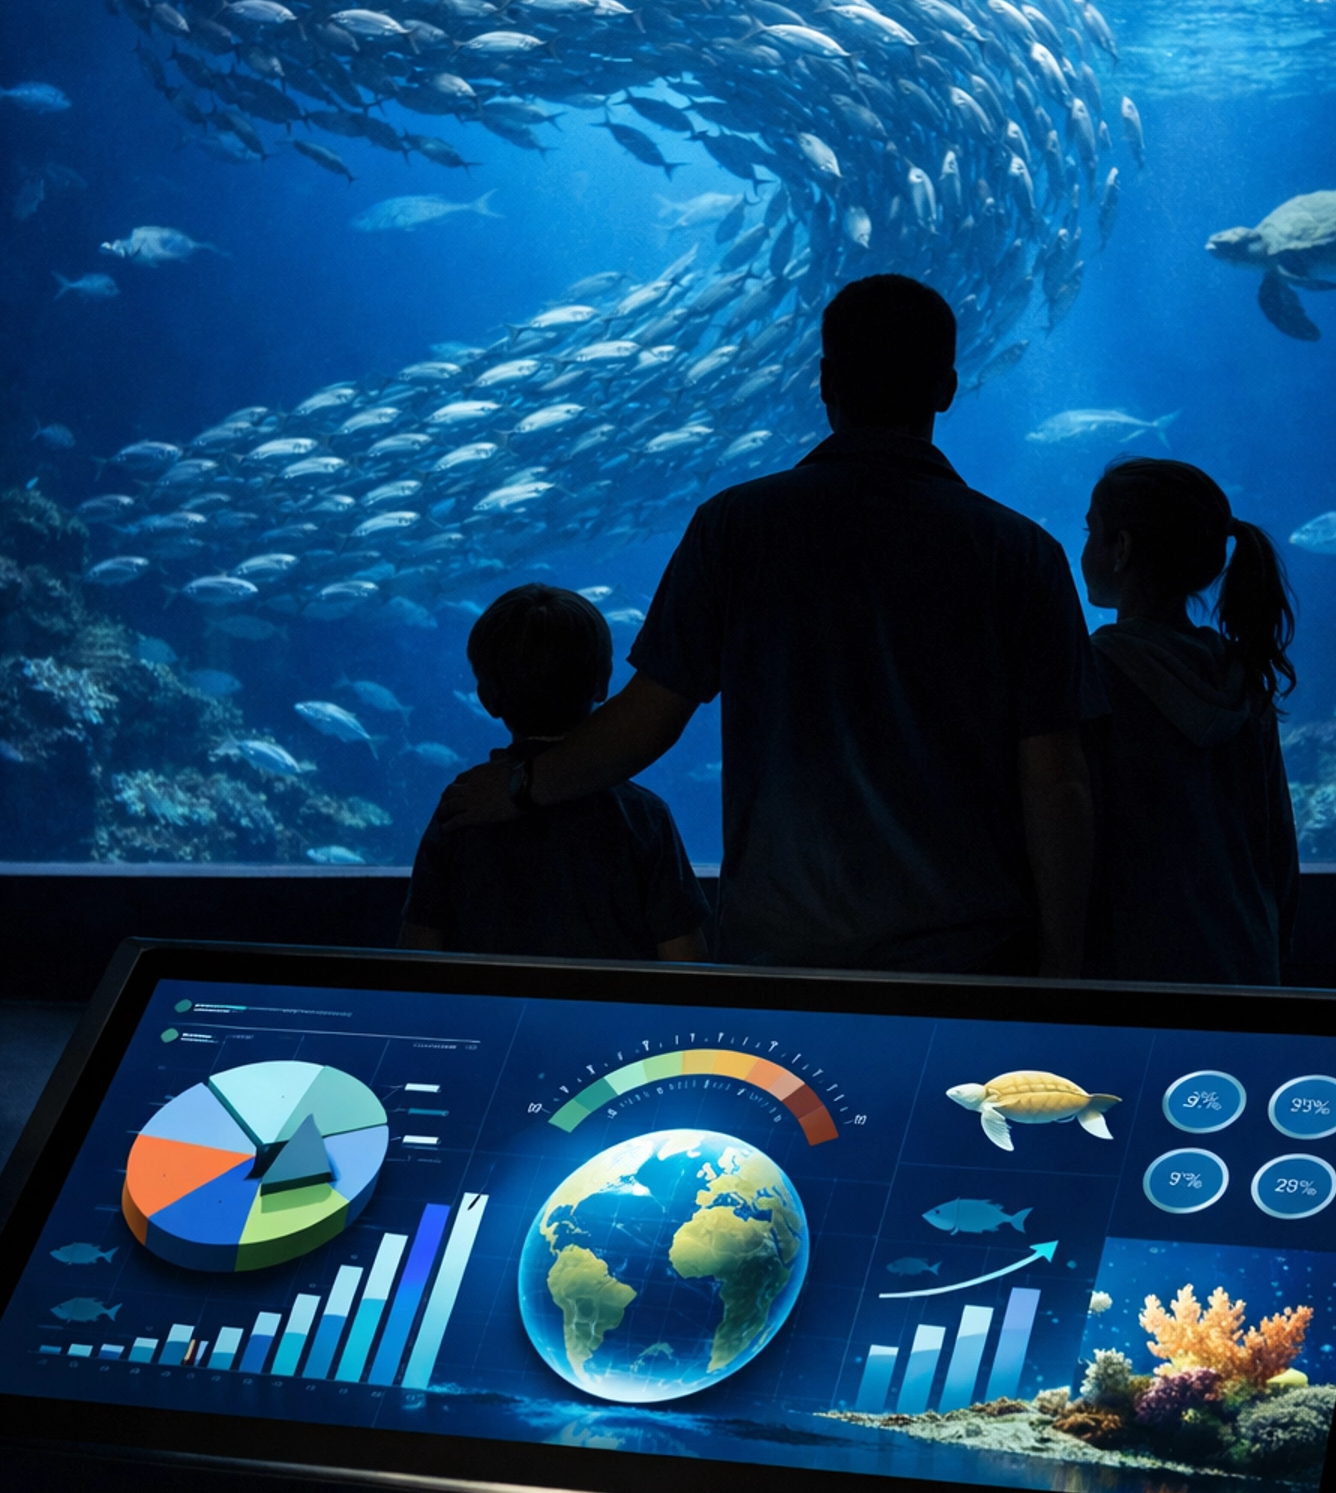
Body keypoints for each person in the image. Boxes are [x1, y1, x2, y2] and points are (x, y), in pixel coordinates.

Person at [437, 275, 1102, 976]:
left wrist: (519, 787)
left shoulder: (737, 526)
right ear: (946, 388)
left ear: (824, 382)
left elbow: (649, 719)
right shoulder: (1021, 554)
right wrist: (1063, 966)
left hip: (785, 957)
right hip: (971, 957)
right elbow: (1056, 781)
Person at [398, 583, 709, 961]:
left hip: (485, 1019)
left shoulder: (463, 807)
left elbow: (418, 955)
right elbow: (685, 958)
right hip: (609, 1021)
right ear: (604, 684)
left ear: (486, 699)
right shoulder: (644, 817)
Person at [1078, 458, 1299, 984]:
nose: (1084, 546)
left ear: (1121, 549)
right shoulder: (1244, 677)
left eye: (1091, 530)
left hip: (1136, 969)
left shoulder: (1094, 674)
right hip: (1244, 958)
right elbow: (1279, 849)